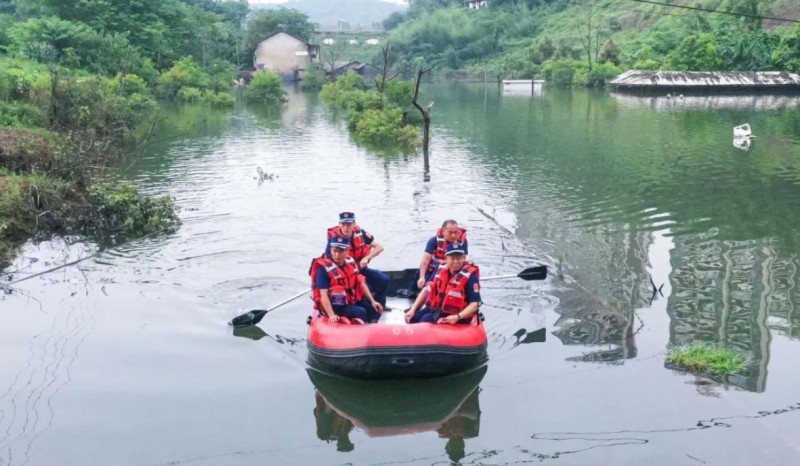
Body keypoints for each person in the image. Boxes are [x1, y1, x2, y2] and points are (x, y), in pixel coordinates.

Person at [311, 235, 384, 323]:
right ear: (331, 250)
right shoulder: (324, 268)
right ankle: (357, 331)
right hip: (336, 307)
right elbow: (323, 294)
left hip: (350, 301)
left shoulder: (351, 262)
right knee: (360, 312)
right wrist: (331, 315)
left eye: (341, 251)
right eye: (335, 250)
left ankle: (371, 328)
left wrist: (372, 301)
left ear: (347, 251)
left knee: (374, 309)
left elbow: (361, 283)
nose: (337, 254)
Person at [325, 212, 390, 307]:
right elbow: (329, 259)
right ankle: (368, 309)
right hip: (348, 274)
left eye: (349, 224)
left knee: (384, 279)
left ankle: (381, 305)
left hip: (361, 268)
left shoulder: (360, 233)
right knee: (363, 289)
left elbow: (379, 247)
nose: (346, 228)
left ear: (354, 223)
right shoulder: (335, 240)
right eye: (343, 224)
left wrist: (367, 258)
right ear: (339, 224)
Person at [405, 242, 480, 324]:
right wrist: (413, 309)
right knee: (412, 318)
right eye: (452, 258)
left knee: (425, 319)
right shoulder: (440, 269)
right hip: (437, 308)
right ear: (446, 258)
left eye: (458, 258)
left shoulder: (471, 278)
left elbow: (474, 304)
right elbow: (427, 289)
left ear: (463, 258)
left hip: (456, 314)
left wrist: (458, 317)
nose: (455, 262)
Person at [415, 220, 468, 290]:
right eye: (450, 232)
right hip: (434, 267)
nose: (453, 235)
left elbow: (464, 259)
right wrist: (422, 277)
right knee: (418, 276)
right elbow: (425, 260)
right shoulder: (433, 240)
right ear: (443, 231)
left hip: (451, 269)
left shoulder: (463, 242)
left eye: (455, 232)